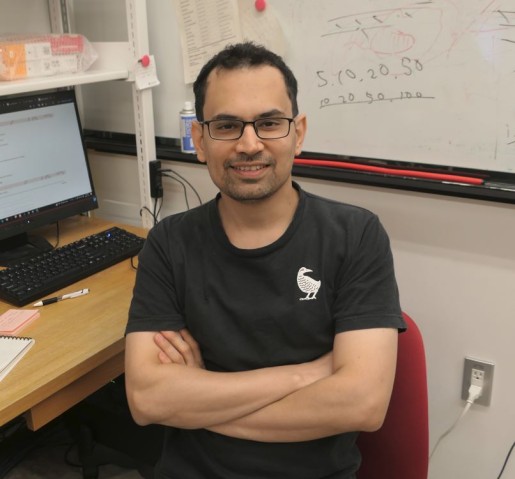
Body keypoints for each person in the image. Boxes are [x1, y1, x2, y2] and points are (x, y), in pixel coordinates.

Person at [124, 41, 406, 479]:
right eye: (227, 125)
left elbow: (362, 404)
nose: (249, 144)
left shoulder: (355, 236)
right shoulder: (168, 242)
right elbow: (147, 401)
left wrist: (198, 401)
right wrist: (303, 376)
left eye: (270, 123)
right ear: (199, 140)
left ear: (299, 132)